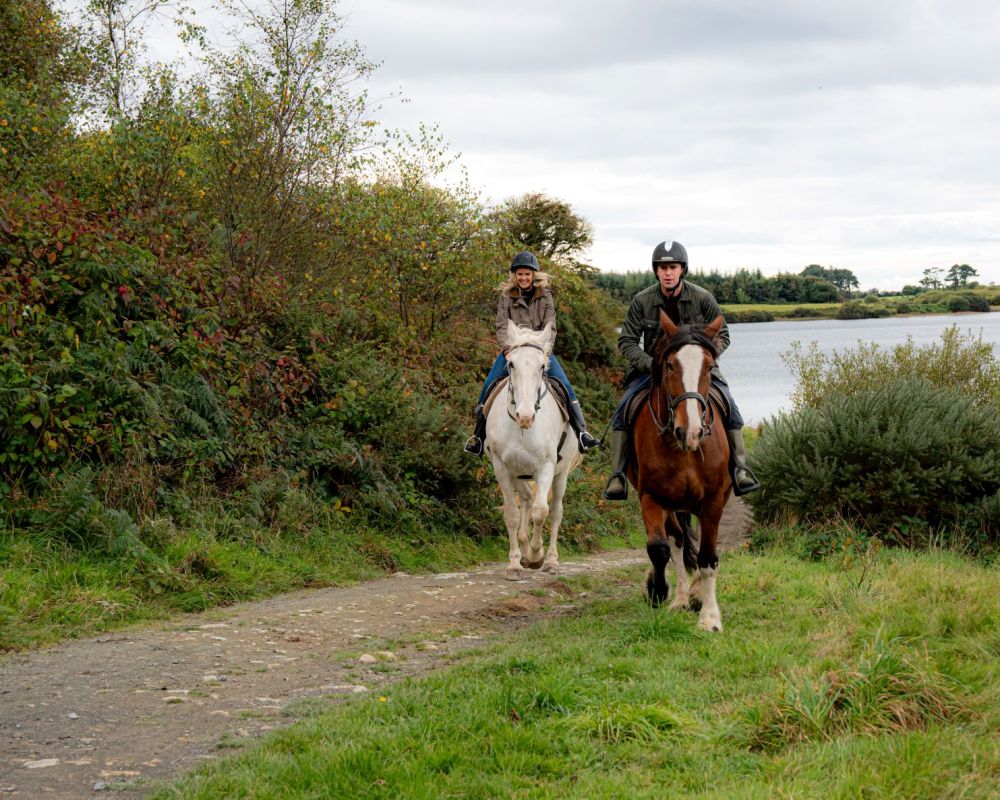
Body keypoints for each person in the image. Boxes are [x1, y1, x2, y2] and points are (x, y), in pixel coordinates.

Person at [603, 239, 761, 500]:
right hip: (653, 370)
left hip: (697, 370)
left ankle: (741, 469)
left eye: (673, 267)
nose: (668, 273)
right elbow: (627, 341)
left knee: (730, 407)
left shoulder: (703, 298)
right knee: (624, 409)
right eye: (663, 268)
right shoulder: (642, 301)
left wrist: (703, 359)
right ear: (656, 271)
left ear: (682, 270)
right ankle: (618, 475)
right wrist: (650, 363)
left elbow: (722, 334)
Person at [464, 251, 600, 456]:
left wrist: (544, 352)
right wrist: (508, 350)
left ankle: (582, 433)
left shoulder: (546, 296)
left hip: (539, 352)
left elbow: (551, 327)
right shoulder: (505, 297)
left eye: (527, 274)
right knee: (487, 388)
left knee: (566, 386)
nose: (524, 278)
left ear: (534, 275)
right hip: (513, 352)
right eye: (520, 274)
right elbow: (501, 326)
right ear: (514, 276)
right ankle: (478, 438)